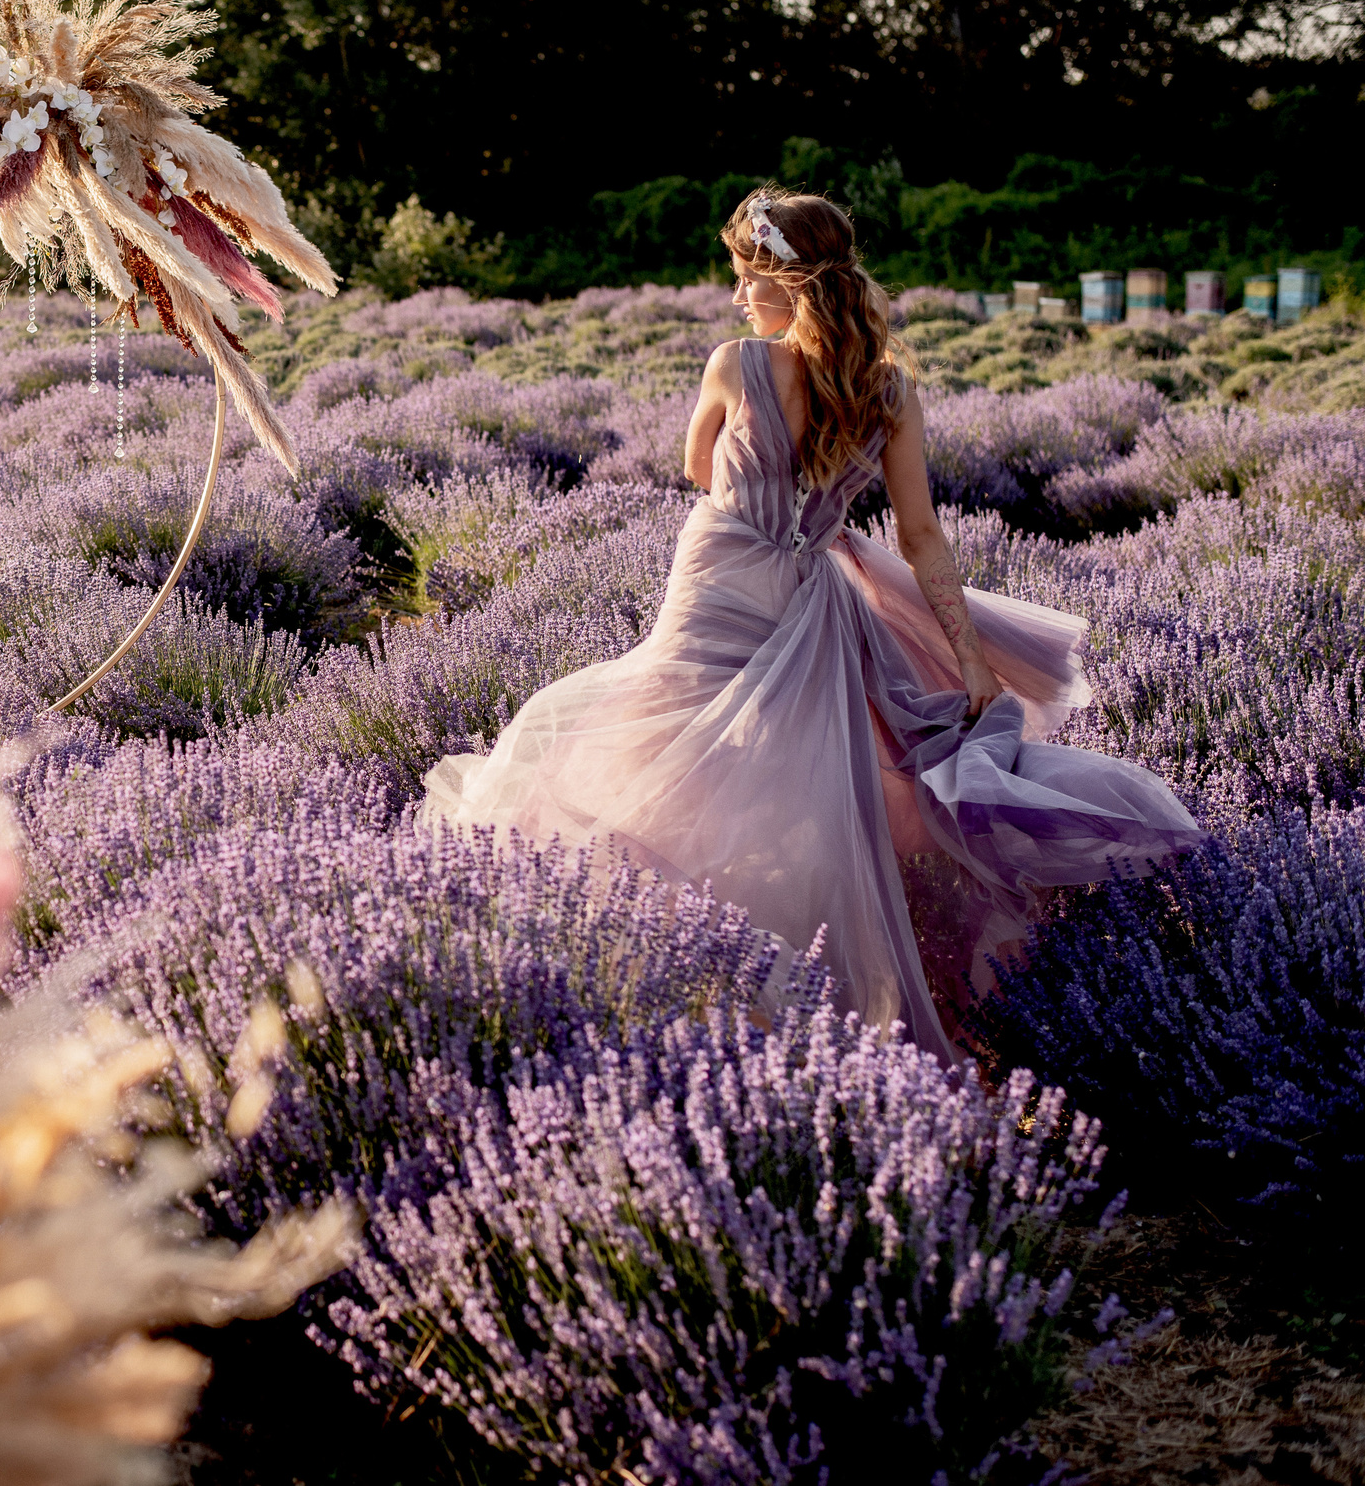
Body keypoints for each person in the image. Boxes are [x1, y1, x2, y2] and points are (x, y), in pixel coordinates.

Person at [421, 190, 1203, 1057]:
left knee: (665, 745)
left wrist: (768, 492)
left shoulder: (735, 363)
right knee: (809, 781)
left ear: (783, 281)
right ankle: (788, 986)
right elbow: (923, 537)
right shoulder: (889, 389)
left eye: (744, 278)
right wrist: (969, 659)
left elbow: (694, 465)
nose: (734, 297)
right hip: (808, 594)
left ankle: (706, 978)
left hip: (719, 577)